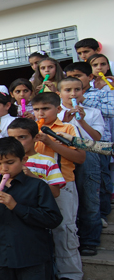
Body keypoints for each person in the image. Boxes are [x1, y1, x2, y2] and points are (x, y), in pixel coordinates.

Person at [0, 137, 63, 280]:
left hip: (31, 256)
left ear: (24, 159)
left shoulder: (38, 186)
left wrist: (15, 206)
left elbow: (53, 219)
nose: (3, 168)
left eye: (10, 163)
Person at [33, 92, 86, 280]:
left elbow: (80, 158)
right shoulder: (30, 128)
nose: (41, 113)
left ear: (57, 109)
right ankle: (45, 269)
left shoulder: (68, 128)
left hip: (63, 183)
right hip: (35, 185)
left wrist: (50, 142)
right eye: (37, 109)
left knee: (64, 227)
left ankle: (69, 273)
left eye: (45, 108)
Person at [58, 77, 104, 257]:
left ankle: (90, 240)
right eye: (68, 90)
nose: (72, 94)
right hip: (63, 155)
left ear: (82, 91)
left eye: (77, 90)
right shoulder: (56, 113)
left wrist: (82, 121)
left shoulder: (93, 112)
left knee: (89, 197)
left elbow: (97, 138)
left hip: (88, 154)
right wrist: (65, 120)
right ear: (60, 93)